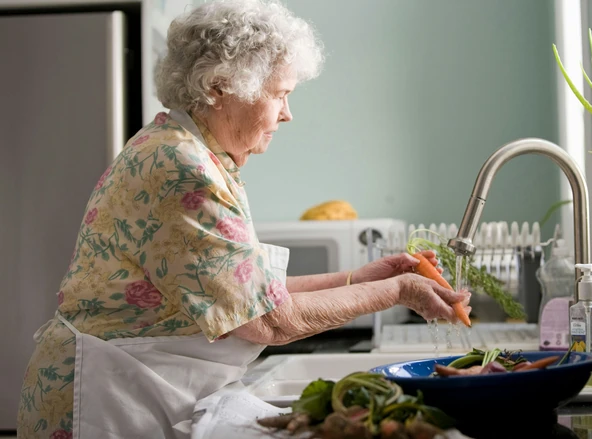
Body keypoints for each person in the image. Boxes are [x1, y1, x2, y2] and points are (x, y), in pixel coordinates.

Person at [16, 1, 471, 438]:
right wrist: (396, 290)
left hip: (130, 386)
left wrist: (359, 277)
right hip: (104, 401)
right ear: (219, 88)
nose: (288, 114)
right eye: (281, 94)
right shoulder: (183, 168)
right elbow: (268, 321)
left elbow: (243, 295)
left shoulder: (185, 151)